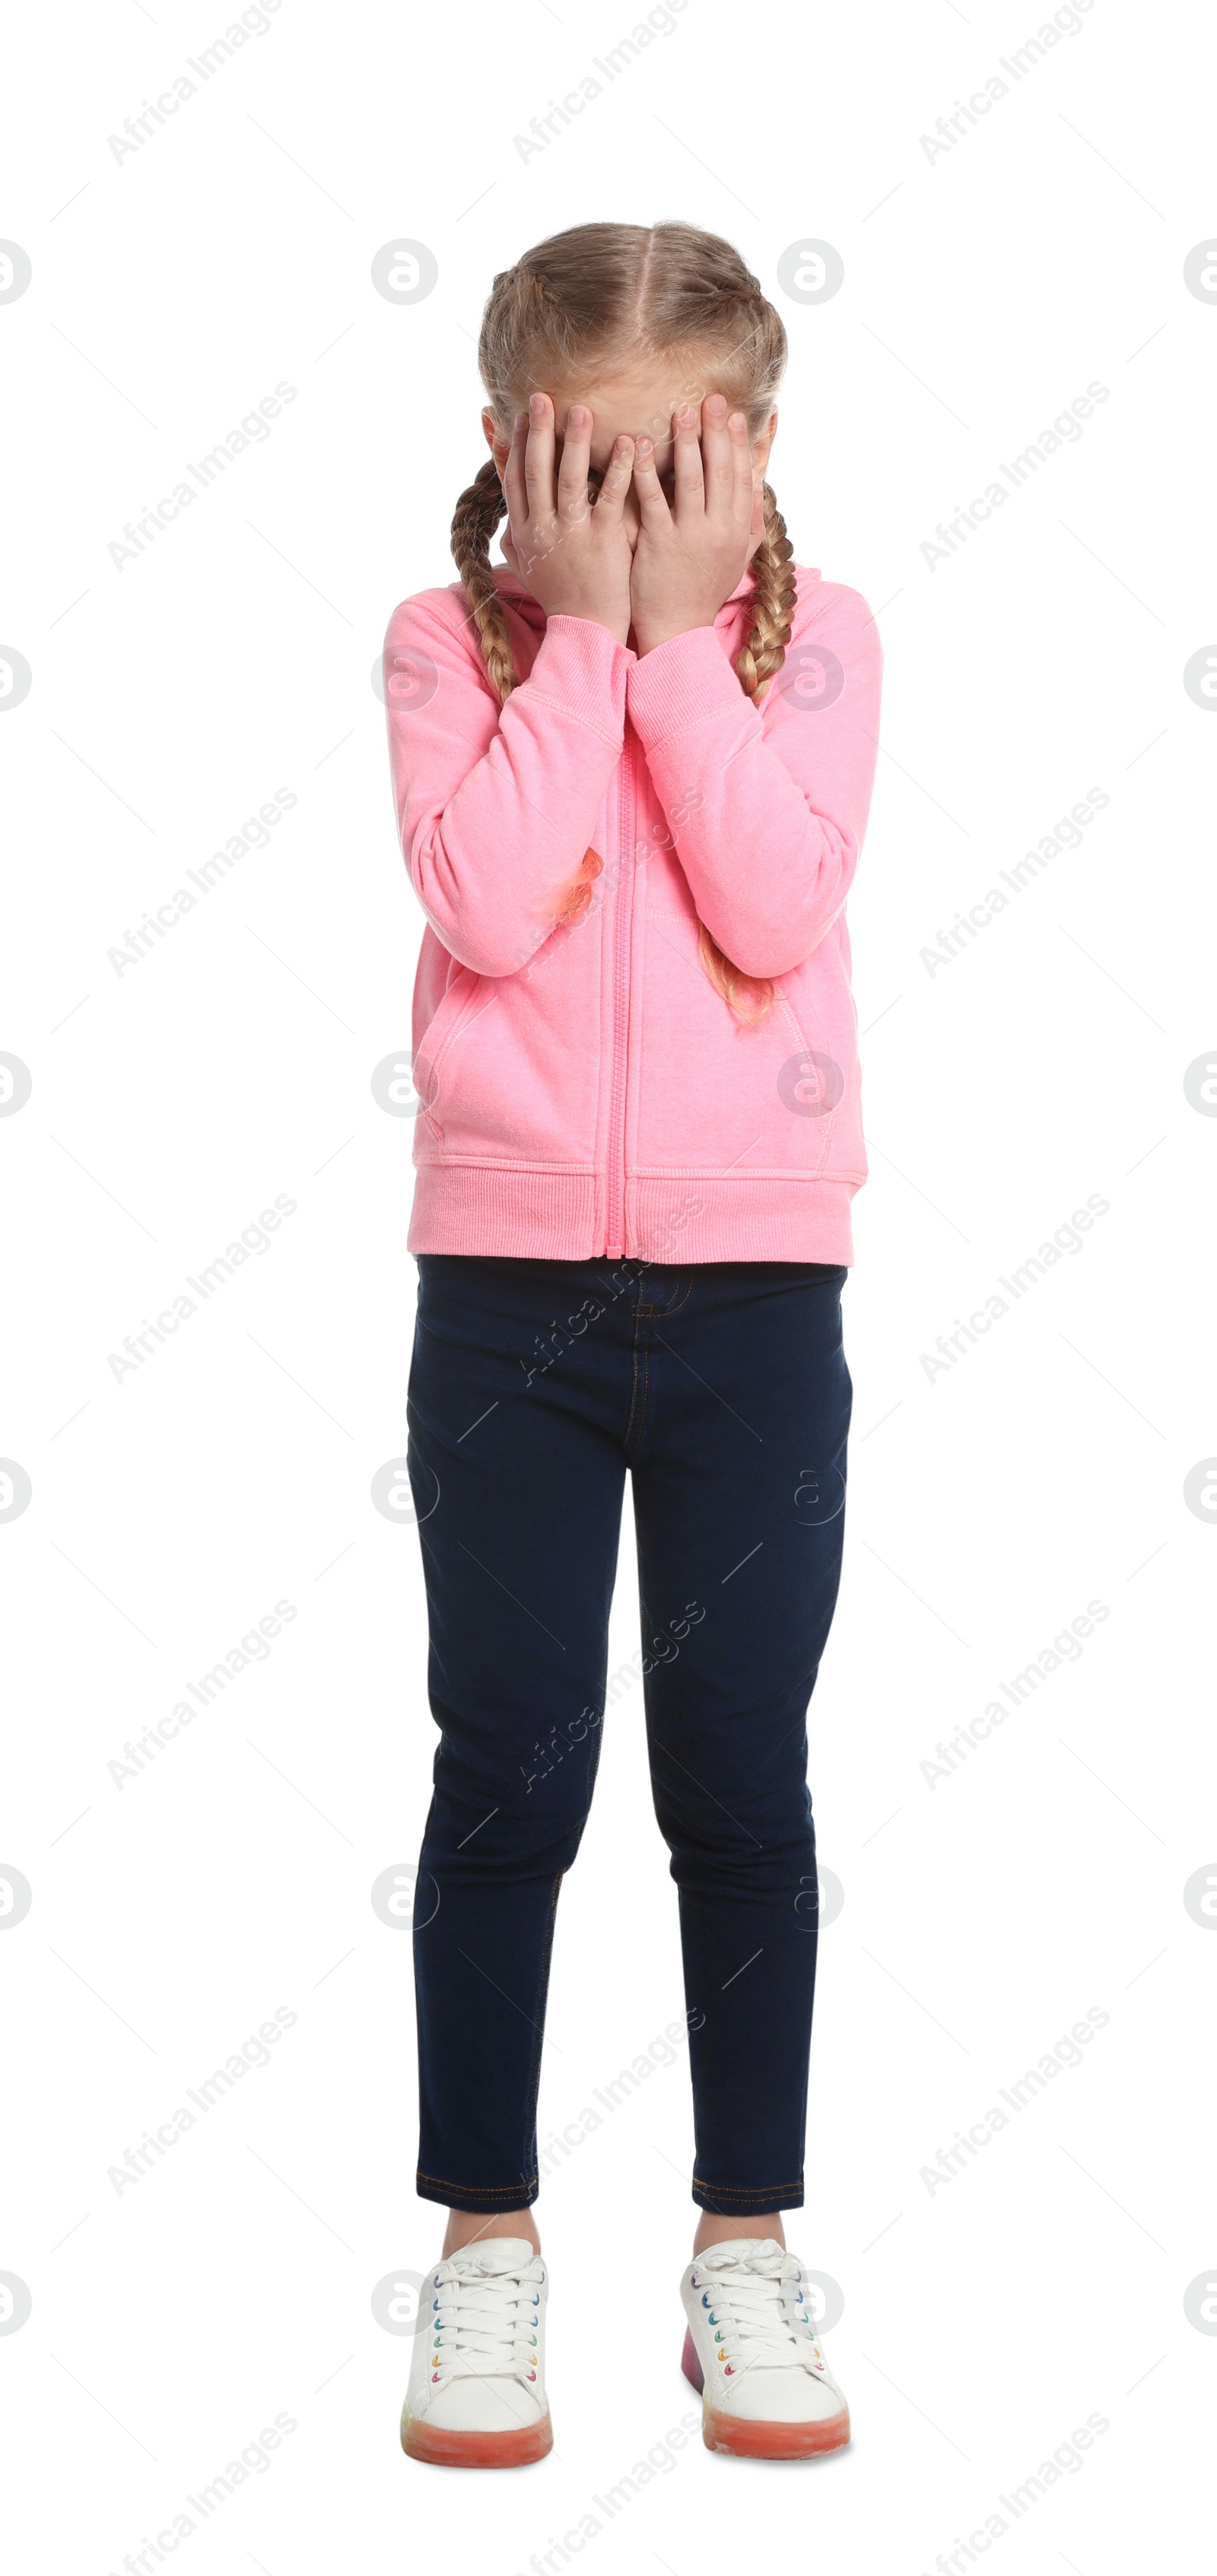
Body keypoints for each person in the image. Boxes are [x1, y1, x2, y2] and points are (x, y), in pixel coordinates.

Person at [383, 220, 882, 2466]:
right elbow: (490, 900)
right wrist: (585, 638)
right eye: (598, 467)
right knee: (509, 1770)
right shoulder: (447, 644)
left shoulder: (827, 647)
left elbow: (776, 906)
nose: (655, 510)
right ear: (509, 447)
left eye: (695, 464)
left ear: (763, 454)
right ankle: (486, 2249)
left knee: (738, 1781)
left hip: (761, 1297)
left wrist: (681, 651)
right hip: (505, 1300)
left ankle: (743, 2239)